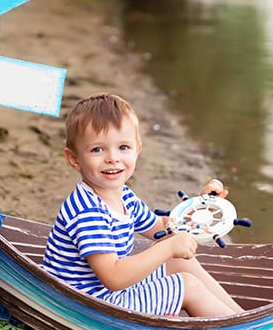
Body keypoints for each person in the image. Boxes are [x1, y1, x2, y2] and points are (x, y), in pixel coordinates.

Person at [42, 93, 244, 317]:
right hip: (82, 307)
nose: (113, 158)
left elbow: (163, 227)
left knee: (180, 262)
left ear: (137, 149)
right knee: (186, 285)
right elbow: (114, 277)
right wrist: (167, 248)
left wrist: (203, 208)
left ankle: (241, 318)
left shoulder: (124, 196)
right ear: (74, 159)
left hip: (104, 295)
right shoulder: (87, 211)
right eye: (97, 149)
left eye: (123, 147)